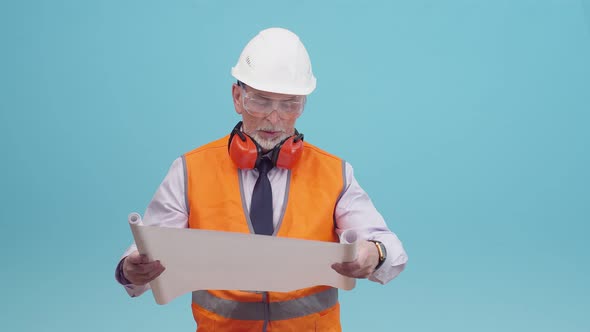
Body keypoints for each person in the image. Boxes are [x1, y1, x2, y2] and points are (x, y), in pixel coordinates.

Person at [115, 27, 408, 331]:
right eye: (261, 101)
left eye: (289, 104)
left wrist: (374, 253)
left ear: (303, 105)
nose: (274, 117)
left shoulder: (334, 173)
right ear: (237, 97)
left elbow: (391, 249)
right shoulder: (190, 170)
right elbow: (150, 247)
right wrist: (131, 268)